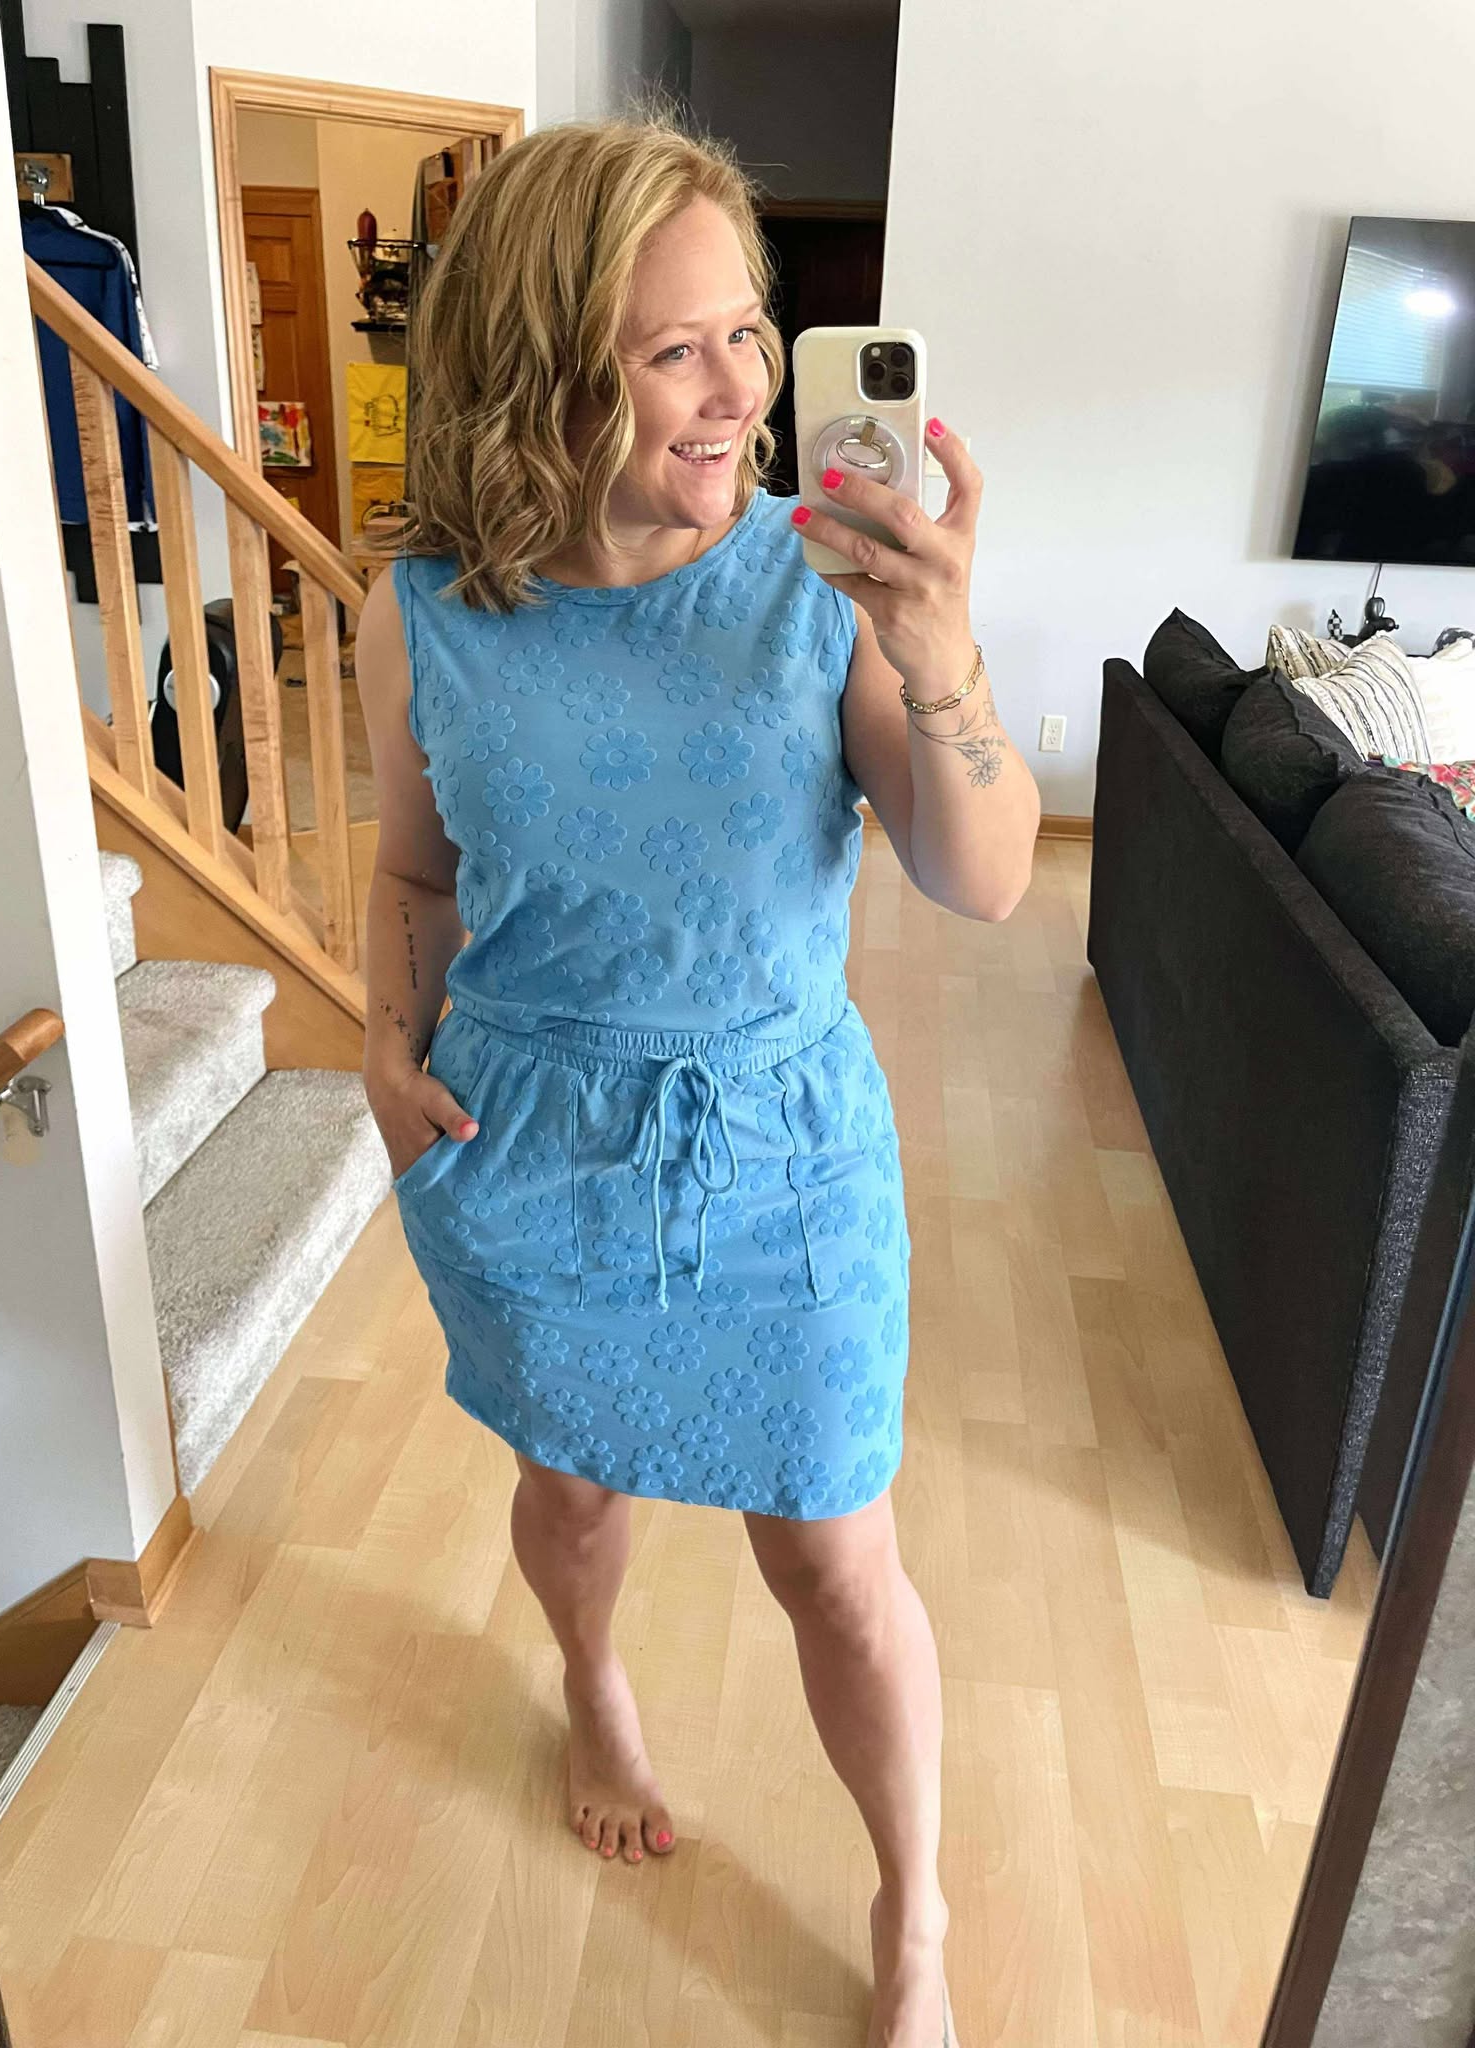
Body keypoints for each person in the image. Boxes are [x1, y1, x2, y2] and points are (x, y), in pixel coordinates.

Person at [354, 109, 1040, 2048]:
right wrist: (380, 1030)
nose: (742, 389)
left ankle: (913, 1913)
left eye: (749, 329)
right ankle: (593, 1689)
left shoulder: (822, 583)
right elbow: (414, 873)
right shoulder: (429, 611)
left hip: (782, 1154)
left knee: (836, 1555)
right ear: (542, 366)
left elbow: (988, 879)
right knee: (571, 1498)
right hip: (526, 1148)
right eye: (676, 348)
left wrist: (940, 648)